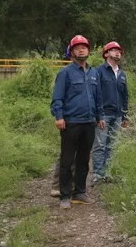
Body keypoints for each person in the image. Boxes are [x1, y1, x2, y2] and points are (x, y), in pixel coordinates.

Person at [51, 35, 105, 209]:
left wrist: (100, 116)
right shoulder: (65, 73)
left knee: (83, 160)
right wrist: (59, 117)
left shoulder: (94, 73)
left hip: (89, 123)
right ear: (72, 52)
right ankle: (65, 195)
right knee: (67, 160)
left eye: (84, 47)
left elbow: (98, 98)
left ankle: (79, 192)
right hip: (71, 123)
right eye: (77, 47)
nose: (81, 49)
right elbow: (57, 98)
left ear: (88, 51)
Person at [92, 41, 129, 185]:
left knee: (112, 145)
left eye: (119, 50)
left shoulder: (122, 74)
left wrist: (125, 115)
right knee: (100, 145)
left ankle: (108, 172)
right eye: (113, 50)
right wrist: (99, 115)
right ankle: (97, 174)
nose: (117, 52)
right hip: (104, 114)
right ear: (106, 54)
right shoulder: (99, 72)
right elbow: (96, 95)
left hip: (118, 115)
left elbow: (125, 96)